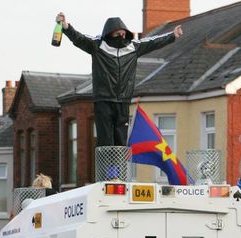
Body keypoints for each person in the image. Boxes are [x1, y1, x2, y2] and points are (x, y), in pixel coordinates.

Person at [57, 12, 183, 147]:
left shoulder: (133, 47)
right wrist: (65, 26)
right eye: (117, 34)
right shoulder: (97, 46)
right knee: (105, 139)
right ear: (109, 34)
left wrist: (172, 35)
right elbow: (79, 38)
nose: (121, 36)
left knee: (120, 138)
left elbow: (154, 42)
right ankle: (106, 167)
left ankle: (118, 167)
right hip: (103, 100)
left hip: (123, 100)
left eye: (123, 34)